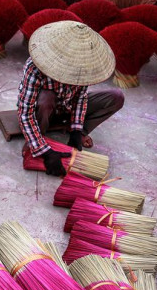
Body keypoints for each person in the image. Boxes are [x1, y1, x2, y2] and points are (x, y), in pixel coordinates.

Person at [17, 21, 125, 176]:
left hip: (66, 108)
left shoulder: (83, 66)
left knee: (116, 97)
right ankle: (37, 140)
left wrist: (76, 129)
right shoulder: (35, 68)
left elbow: (81, 98)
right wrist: (44, 152)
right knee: (46, 98)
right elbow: (25, 113)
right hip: (42, 111)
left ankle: (80, 132)